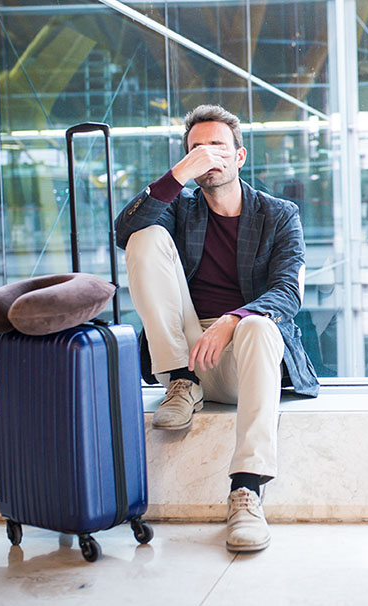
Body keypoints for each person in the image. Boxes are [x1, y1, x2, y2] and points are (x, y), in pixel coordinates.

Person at [114, 104, 319, 552]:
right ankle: (182, 384)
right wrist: (179, 174)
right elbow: (124, 230)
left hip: (244, 358)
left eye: (217, 147)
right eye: (196, 149)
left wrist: (232, 320)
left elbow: (288, 292)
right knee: (143, 237)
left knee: (263, 326)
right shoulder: (179, 210)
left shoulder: (280, 215)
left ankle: (246, 491)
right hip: (183, 354)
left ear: (240, 156)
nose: (208, 156)